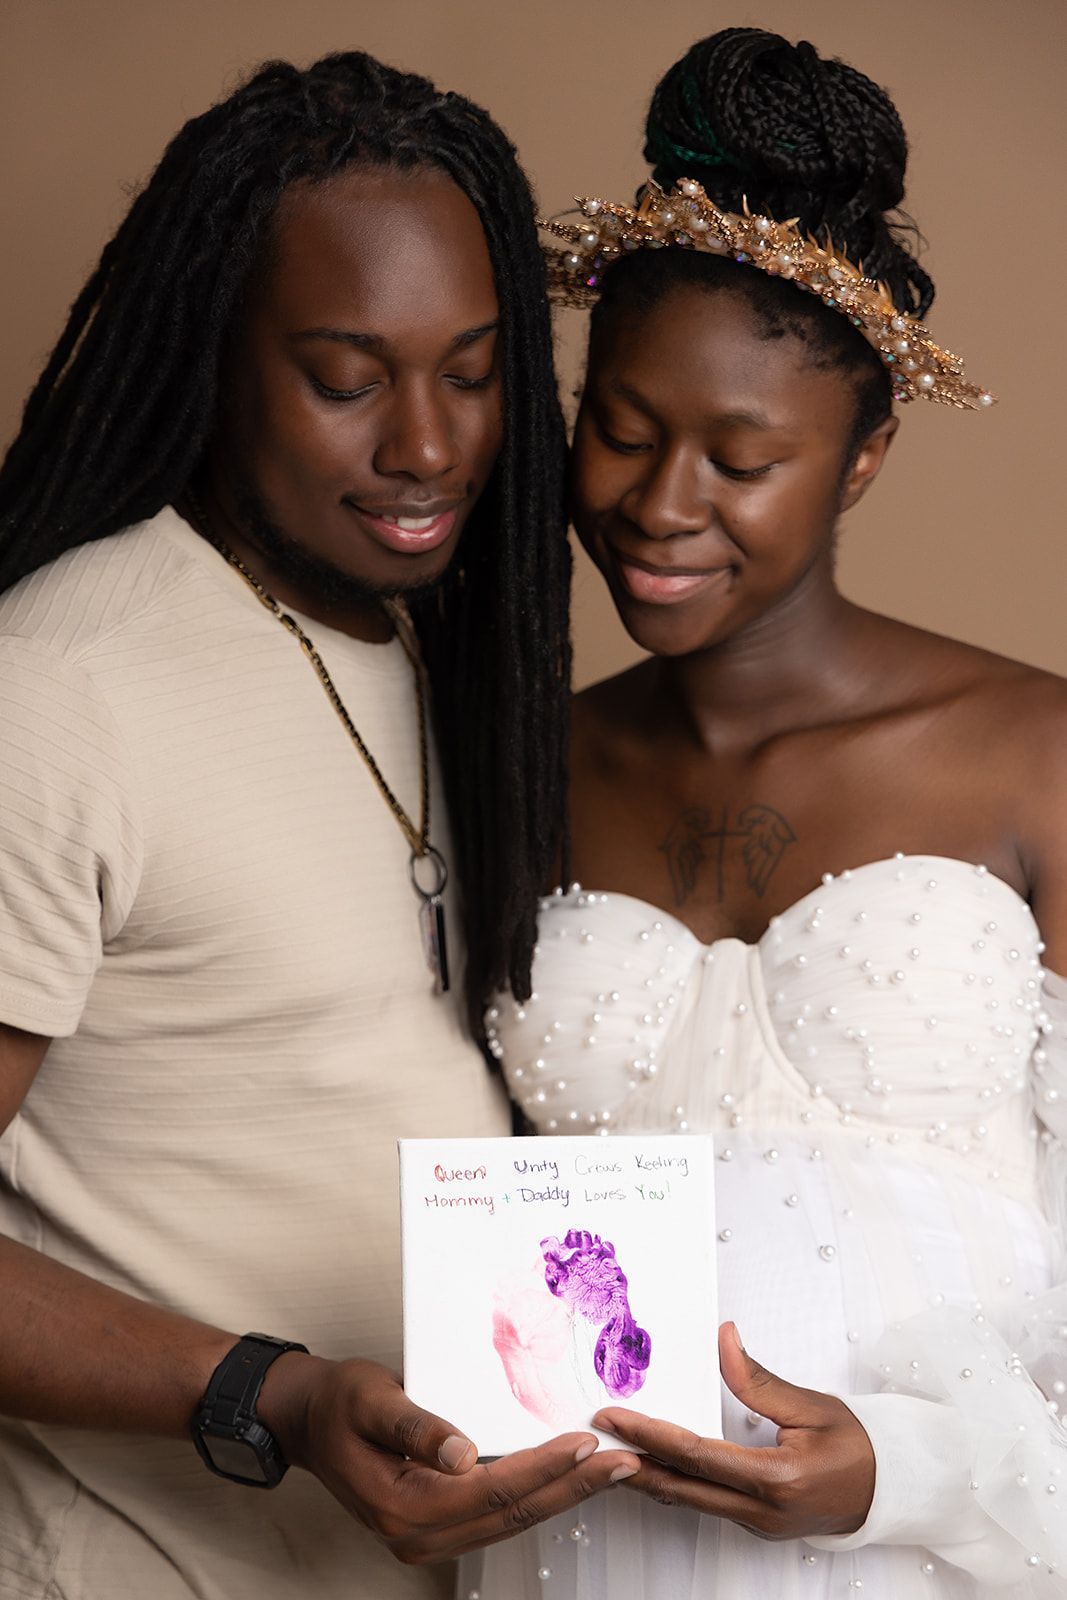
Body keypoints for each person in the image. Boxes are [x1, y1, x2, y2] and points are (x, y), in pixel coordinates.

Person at [0, 51, 639, 1600]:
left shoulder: (444, 655)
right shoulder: (59, 688)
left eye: (473, 373)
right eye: (349, 379)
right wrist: (263, 1393)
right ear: (213, 355)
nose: (427, 446)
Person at [461, 27, 1067, 1599]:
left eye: (742, 459)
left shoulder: (1036, 753)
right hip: (583, 1549)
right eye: (622, 428)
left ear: (862, 460)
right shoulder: (517, 771)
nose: (661, 505)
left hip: (950, 1549)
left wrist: (908, 1469)